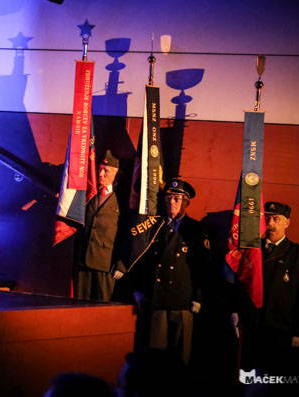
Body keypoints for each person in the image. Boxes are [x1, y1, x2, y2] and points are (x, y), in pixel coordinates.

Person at [132, 178, 208, 365]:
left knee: (180, 352)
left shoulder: (195, 229)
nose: (171, 203)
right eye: (168, 198)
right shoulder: (154, 226)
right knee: (155, 353)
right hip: (156, 298)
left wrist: (198, 297)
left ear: (186, 202)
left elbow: (202, 267)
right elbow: (142, 259)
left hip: (182, 299)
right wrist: (139, 289)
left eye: (176, 199)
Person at [241, 201, 299, 374]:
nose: (270, 224)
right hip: (252, 326)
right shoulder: (251, 249)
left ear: (287, 223)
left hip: (280, 328)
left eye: (276, 219)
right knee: (248, 375)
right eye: (267, 219)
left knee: (274, 376)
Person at [73, 150, 126, 301]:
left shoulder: (122, 199)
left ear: (116, 173)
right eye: (100, 169)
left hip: (105, 265)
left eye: (106, 170)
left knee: (102, 307)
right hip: (83, 262)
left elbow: (126, 235)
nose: (100, 174)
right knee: (79, 304)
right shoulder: (90, 193)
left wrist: (121, 264)